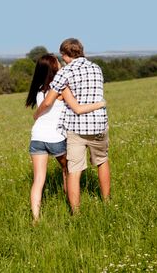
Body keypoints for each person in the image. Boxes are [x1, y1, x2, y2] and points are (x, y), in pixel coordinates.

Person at [26, 53, 106, 223]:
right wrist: (99, 104)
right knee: (69, 171)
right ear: (53, 67)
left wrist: (36, 115)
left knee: (38, 179)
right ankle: (71, 204)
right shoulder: (61, 89)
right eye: (57, 62)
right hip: (55, 138)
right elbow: (75, 106)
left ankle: (35, 218)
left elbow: (45, 104)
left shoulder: (39, 89)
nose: (61, 63)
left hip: (37, 138)